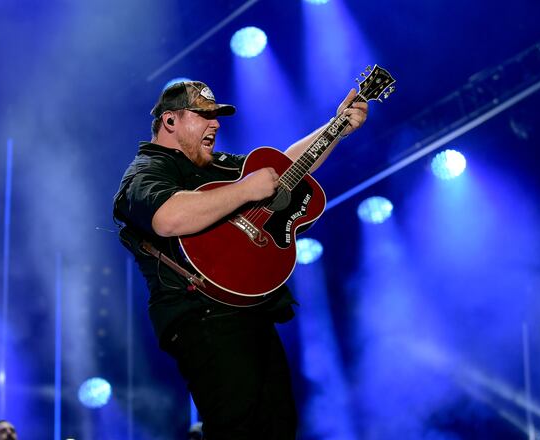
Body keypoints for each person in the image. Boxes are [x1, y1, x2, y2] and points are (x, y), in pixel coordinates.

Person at [113, 80, 368, 439]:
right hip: (202, 317)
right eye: (203, 115)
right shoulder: (147, 169)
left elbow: (286, 170)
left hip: (252, 310)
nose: (215, 124)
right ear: (170, 121)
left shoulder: (218, 164)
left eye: (216, 116)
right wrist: (245, 189)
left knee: (278, 426)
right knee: (237, 426)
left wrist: (336, 127)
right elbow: (167, 218)